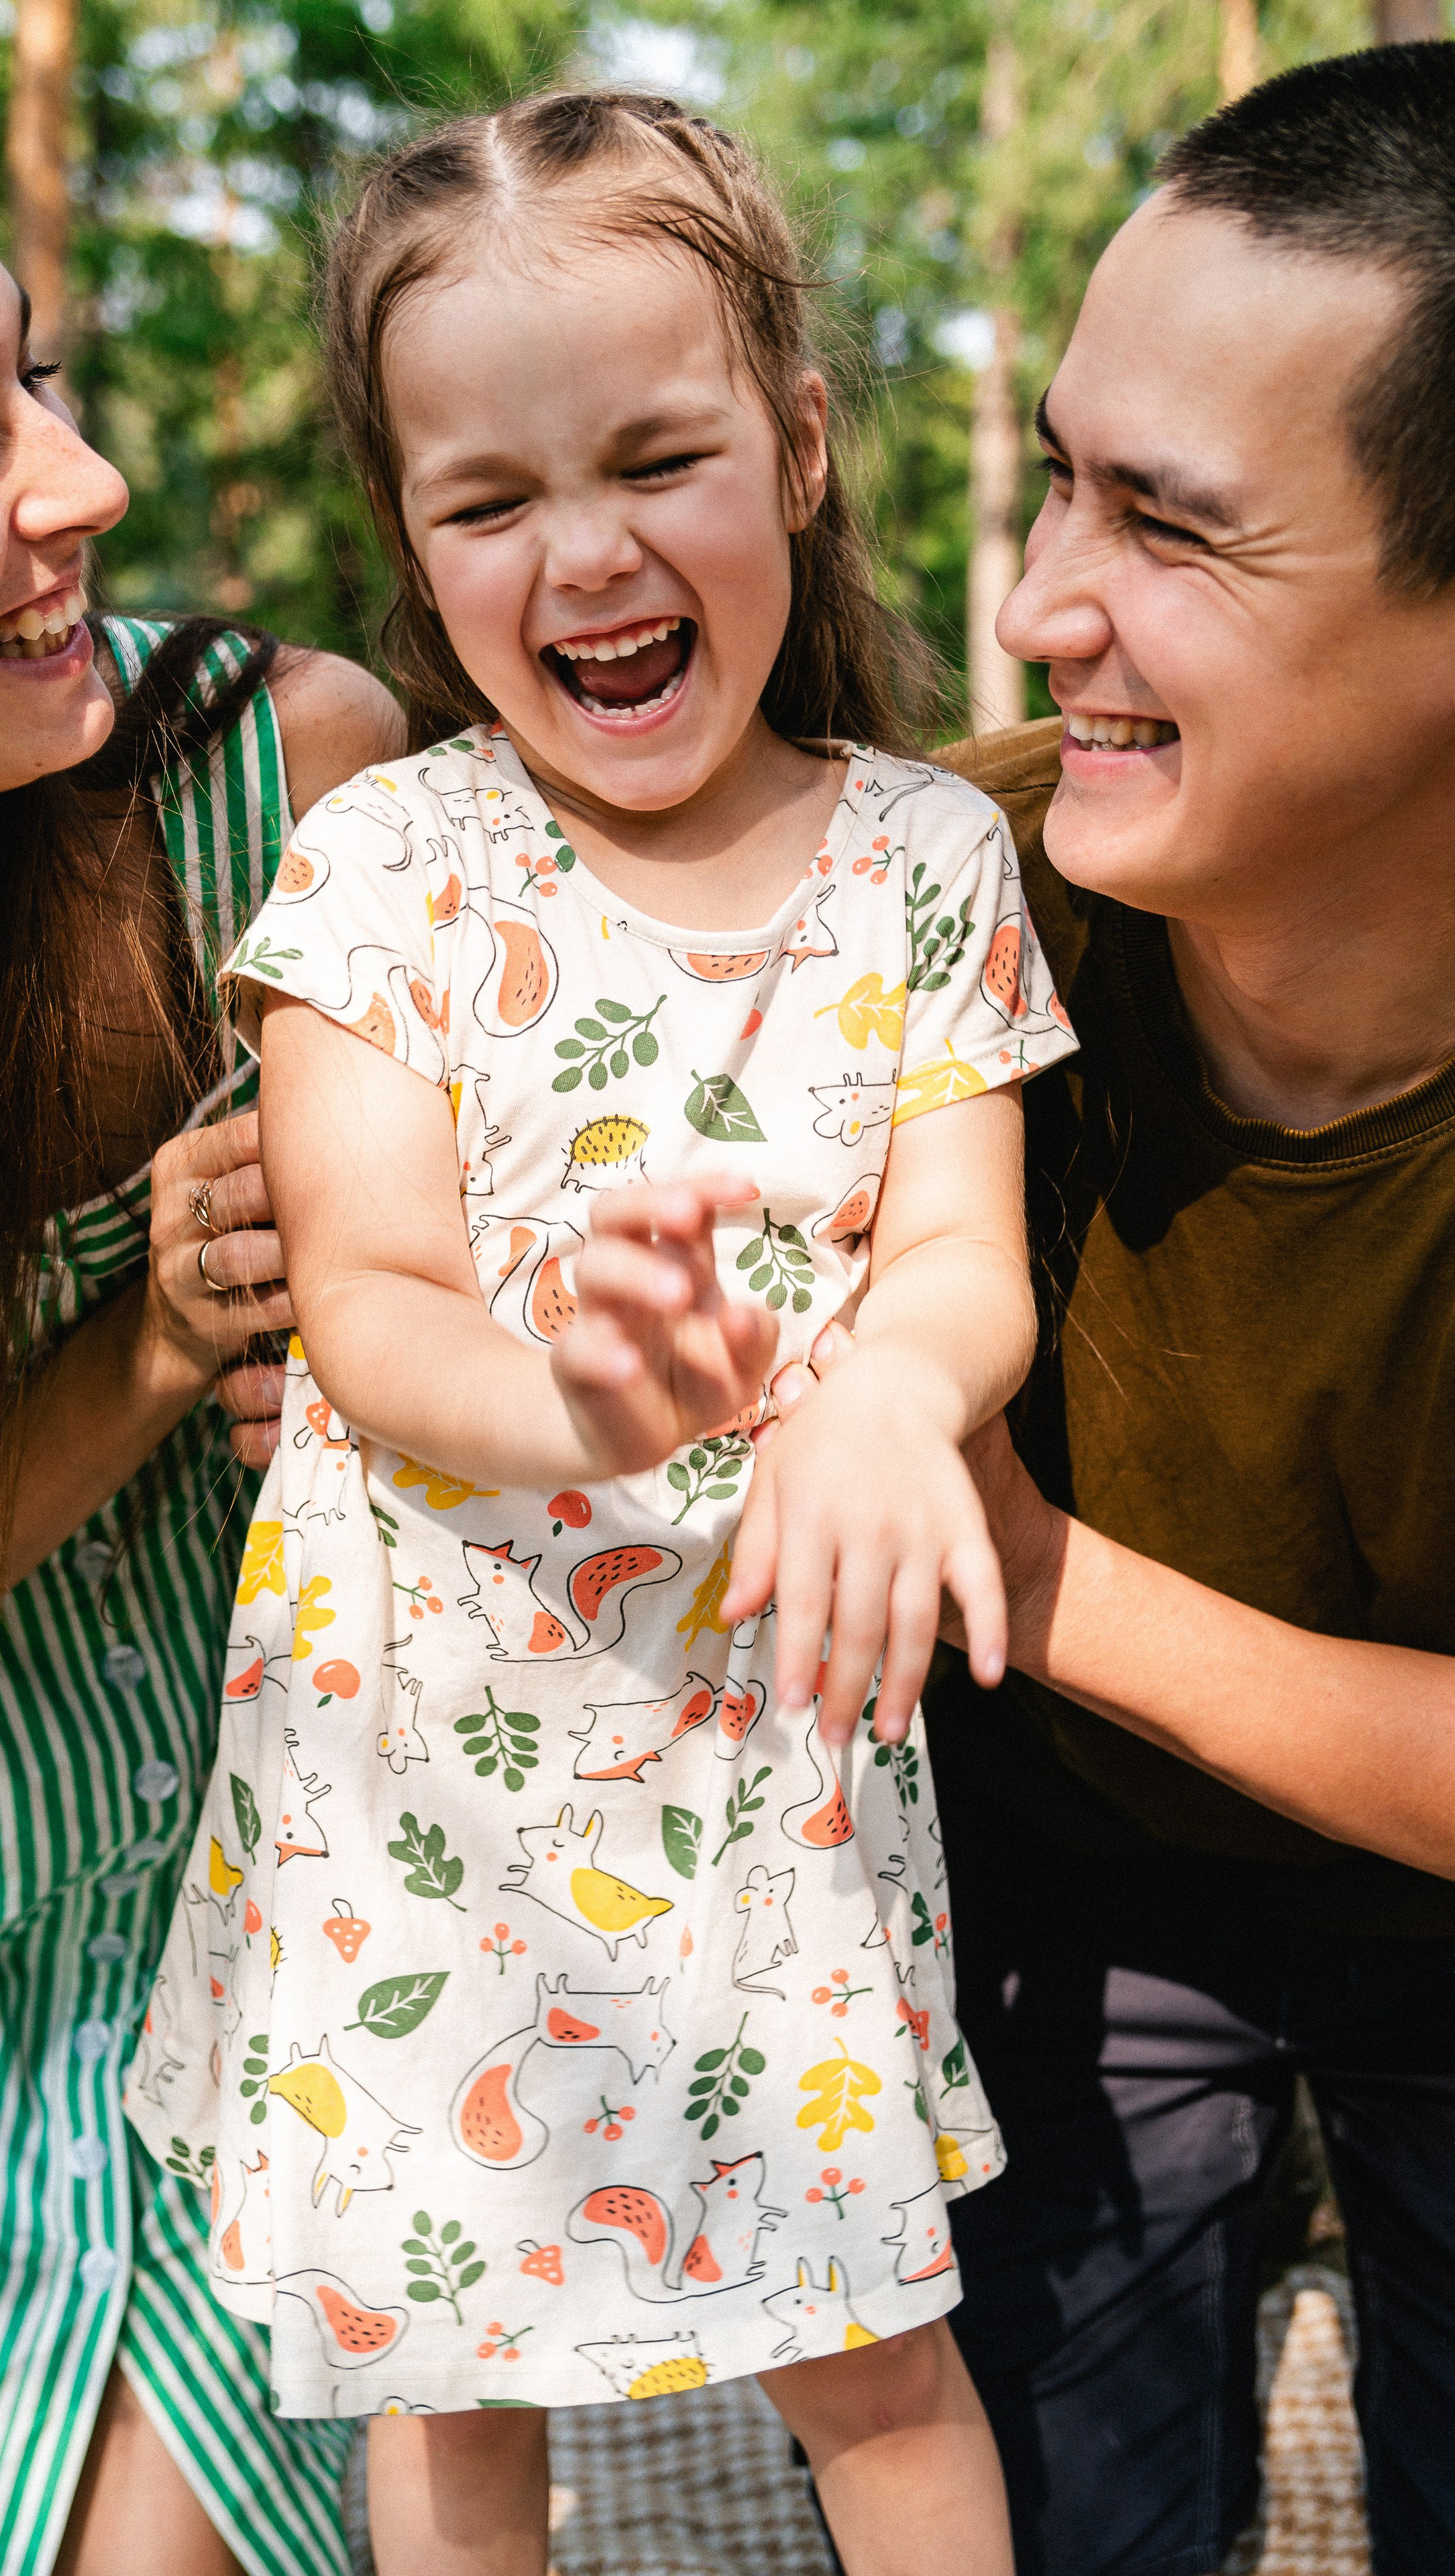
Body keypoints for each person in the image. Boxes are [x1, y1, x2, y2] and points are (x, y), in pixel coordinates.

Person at [126, 89, 1080, 2576]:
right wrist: (583, 1400)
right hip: (422, 1777)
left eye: (660, 456)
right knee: (455, 2403)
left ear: (791, 444)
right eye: (490, 499)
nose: (589, 553)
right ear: (416, 537)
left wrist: (882, 1381)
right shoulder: (390, 870)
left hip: (758, 1757)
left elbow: (969, 1253)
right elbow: (367, 1295)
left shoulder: (918, 859)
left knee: (871, 2354)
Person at [0, 62, 405, 2576]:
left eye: (28, 376)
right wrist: (141, 1352)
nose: (82, 478)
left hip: (286, 1945)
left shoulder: (273, 793)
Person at [904, 43, 1455, 2576]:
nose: (1038, 603)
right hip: (1059, 1898)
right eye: (1058, 473)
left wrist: (1028, 1570)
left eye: (1173, 527)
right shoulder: (934, 902)